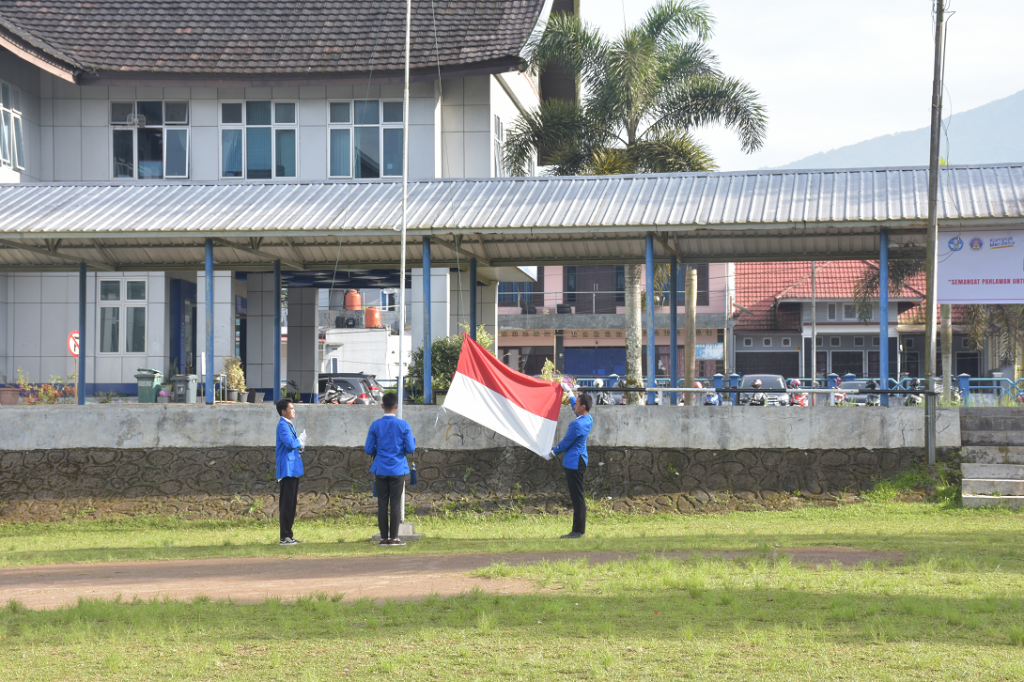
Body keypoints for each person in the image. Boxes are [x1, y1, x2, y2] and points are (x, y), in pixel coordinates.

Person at [365, 392, 416, 546]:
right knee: (395, 503)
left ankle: (383, 538)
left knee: (382, 503)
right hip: (397, 469)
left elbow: (368, 449)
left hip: (380, 468)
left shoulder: (375, 425)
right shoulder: (404, 425)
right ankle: (394, 538)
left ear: (382, 406)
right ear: (396, 406)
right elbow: (410, 448)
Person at [550, 391, 593, 539]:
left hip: (574, 462)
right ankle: (578, 530)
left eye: (576, 403)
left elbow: (565, 443)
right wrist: (570, 393)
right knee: (578, 496)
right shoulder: (587, 419)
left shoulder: (576, 425)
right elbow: (576, 408)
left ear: (583, 406)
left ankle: (578, 531)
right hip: (579, 460)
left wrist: (552, 452)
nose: (573, 405)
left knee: (577, 497)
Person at [275, 398, 306, 546]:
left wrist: (299, 444)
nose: (294, 410)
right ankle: (284, 536)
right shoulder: (282, 425)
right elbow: (289, 443)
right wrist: (300, 441)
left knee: (292, 503)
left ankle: (289, 534)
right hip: (287, 469)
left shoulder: (288, 424)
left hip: (293, 469)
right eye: (291, 408)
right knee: (287, 504)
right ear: (283, 411)